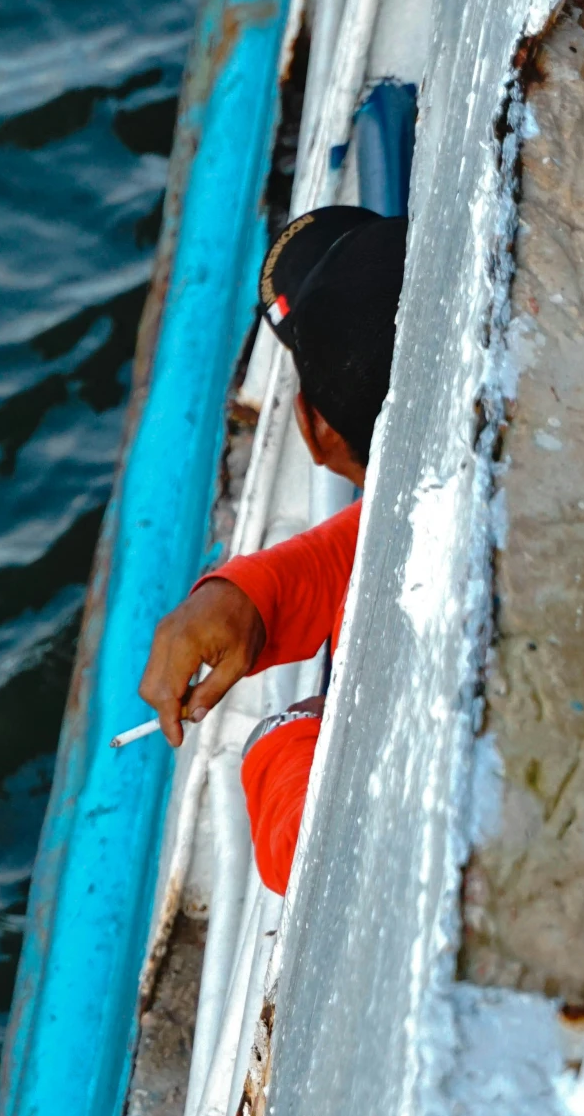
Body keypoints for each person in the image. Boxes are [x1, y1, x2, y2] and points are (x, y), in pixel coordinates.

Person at [138, 205, 406, 894]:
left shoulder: (399, 631)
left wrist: (275, 742)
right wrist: (246, 596)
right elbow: (380, 532)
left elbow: (321, 856)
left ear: (314, 432)